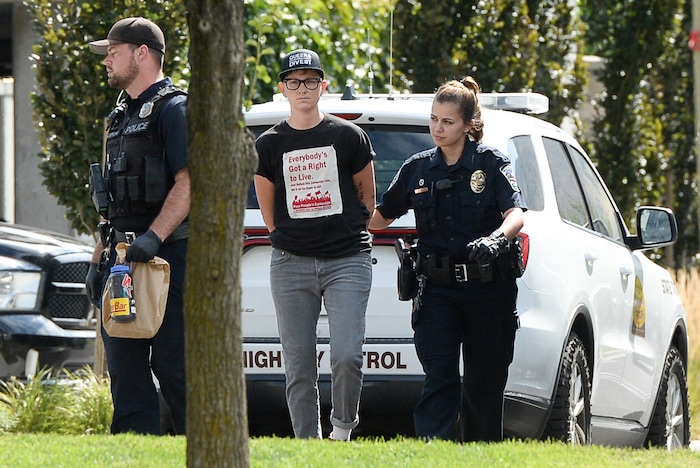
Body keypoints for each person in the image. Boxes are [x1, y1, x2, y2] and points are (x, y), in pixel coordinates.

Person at [369, 77, 526, 442]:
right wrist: (339, 216)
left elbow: (515, 213)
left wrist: (495, 238)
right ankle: (433, 454)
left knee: (483, 385)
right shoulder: (418, 168)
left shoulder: (490, 164)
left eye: (448, 122)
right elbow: (380, 216)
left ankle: (481, 456)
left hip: (488, 291)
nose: (438, 128)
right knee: (439, 377)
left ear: (469, 124)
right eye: (434, 119)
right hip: (437, 290)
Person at [253, 48, 376, 440]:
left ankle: (341, 432)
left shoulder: (349, 136)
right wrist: (290, 240)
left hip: (348, 260)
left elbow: (366, 200)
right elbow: (268, 211)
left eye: (310, 81)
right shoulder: (269, 144)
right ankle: (307, 444)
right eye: (294, 81)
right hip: (290, 263)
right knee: (298, 364)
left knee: (347, 355)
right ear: (282, 89)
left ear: (323, 86)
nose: (302, 88)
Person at [84, 17, 190, 435]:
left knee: (174, 366)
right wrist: (99, 261)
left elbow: (189, 182)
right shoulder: (121, 115)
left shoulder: (175, 109)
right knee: (125, 370)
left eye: (113, 52)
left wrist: (155, 237)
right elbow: (113, 203)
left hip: (169, 260)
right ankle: (134, 453)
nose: (106, 60)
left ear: (141, 53)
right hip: (123, 261)